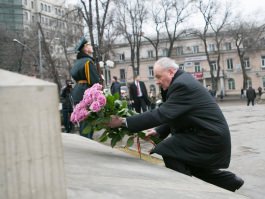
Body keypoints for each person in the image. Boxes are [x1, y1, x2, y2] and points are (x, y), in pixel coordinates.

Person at [107, 57, 244, 192]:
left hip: (209, 136)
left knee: (169, 150)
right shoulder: (181, 81)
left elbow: (162, 113)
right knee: (187, 161)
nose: (157, 81)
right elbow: (175, 112)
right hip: (205, 133)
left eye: (159, 77)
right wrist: (159, 131)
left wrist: (124, 121)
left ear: (171, 72)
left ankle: (184, 190)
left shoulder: (182, 85)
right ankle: (229, 181)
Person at [70, 37, 101, 139]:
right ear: (85, 48)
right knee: (87, 121)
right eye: (89, 45)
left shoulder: (77, 62)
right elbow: (94, 81)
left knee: (81, 118)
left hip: (77, 91)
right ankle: (87, 141)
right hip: (85, 92)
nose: (92, 47)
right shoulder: (88, 61)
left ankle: (84, 140)